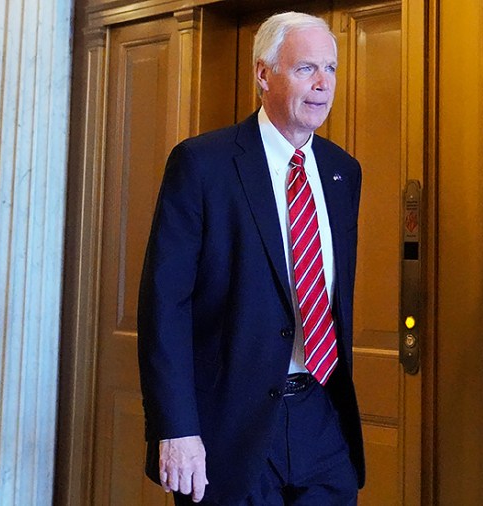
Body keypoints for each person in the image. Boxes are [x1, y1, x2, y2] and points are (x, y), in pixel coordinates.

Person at [138, 11, 364, 505]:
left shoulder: (343, 172)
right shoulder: (202, 163)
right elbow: (165, 305)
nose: (323, 84)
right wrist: (175, 428)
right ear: (264, 74)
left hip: (321, 417)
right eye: (307, 68)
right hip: (229, 427)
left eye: (331, 69)